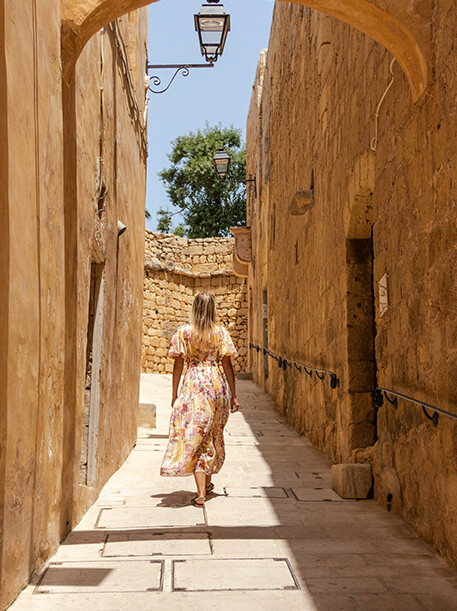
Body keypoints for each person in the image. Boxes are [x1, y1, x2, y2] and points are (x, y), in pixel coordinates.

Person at [160, 292, 240, 507]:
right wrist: (233, 394)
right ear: (213, 308)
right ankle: (207, 484)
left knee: (197, 435)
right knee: (213, 433)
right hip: (216, 385)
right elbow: (227, 365)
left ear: (194, 308)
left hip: (194, 385)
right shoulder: (221, 333)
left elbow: (178, 365)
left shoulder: (184, 333)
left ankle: (201, 493)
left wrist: (175, 393)